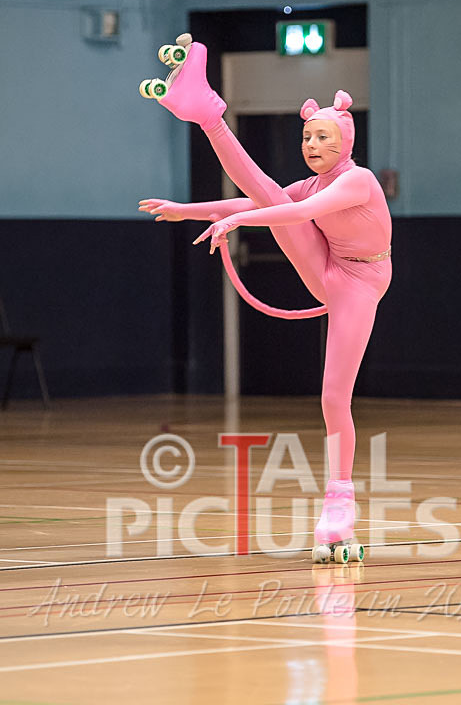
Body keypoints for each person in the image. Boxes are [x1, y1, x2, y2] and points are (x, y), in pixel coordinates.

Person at [139, 39, 392, 562]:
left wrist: (236, 222)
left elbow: (294, 214)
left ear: (344, 140)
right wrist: (188, 210)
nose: (312, 144)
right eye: (306, 136)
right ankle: (208, 114)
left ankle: (339, 501)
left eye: (322, 136)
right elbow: (264, 198)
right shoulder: (317, 179)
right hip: (329, 263)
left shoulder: (357, 181)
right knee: (274, 193)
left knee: (332, 397)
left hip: (359, 284)